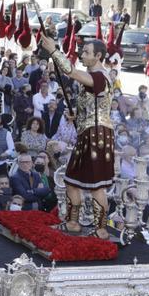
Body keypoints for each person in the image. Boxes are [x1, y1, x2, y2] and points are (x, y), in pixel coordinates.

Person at [39, 36, 114, 238]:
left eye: (87, 52)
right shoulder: (93, 76)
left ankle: (100, 230)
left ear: (98, 56)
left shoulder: (99, 76)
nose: (83, 55)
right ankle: (73, 223)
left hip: (96, 135)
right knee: (71, 180)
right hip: (87, 133)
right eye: (83, 51)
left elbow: (70, 72)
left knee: (96, 185)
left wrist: (54, 51)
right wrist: (78, 115)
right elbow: (93, 107)